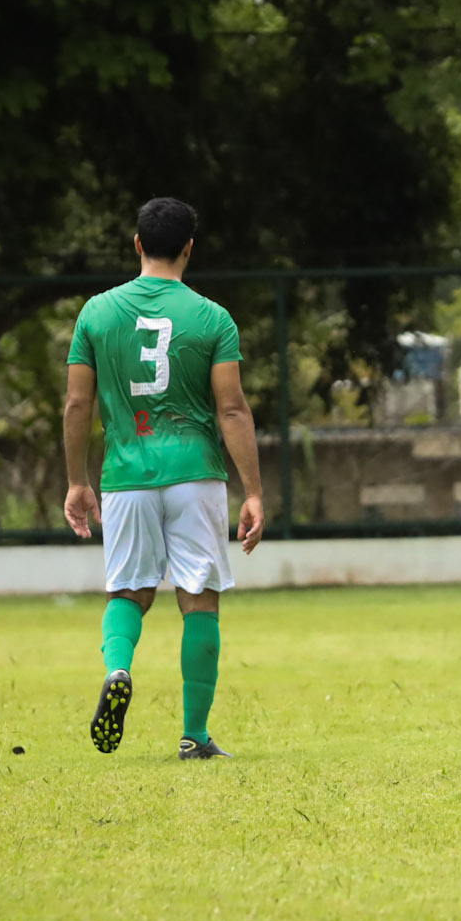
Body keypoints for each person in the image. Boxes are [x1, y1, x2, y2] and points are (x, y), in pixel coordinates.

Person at [63, 197, 265, 758]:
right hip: (195, 475)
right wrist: (253, 491)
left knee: (129, 591)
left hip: (125, 475)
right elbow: (232, 409)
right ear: (189, 248)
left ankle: (118, 669)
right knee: (198, 597)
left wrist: (78, 481)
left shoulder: (96, 313)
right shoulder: (213, 318)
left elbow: (77, 405)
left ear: (137, 244)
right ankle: (194, 735)